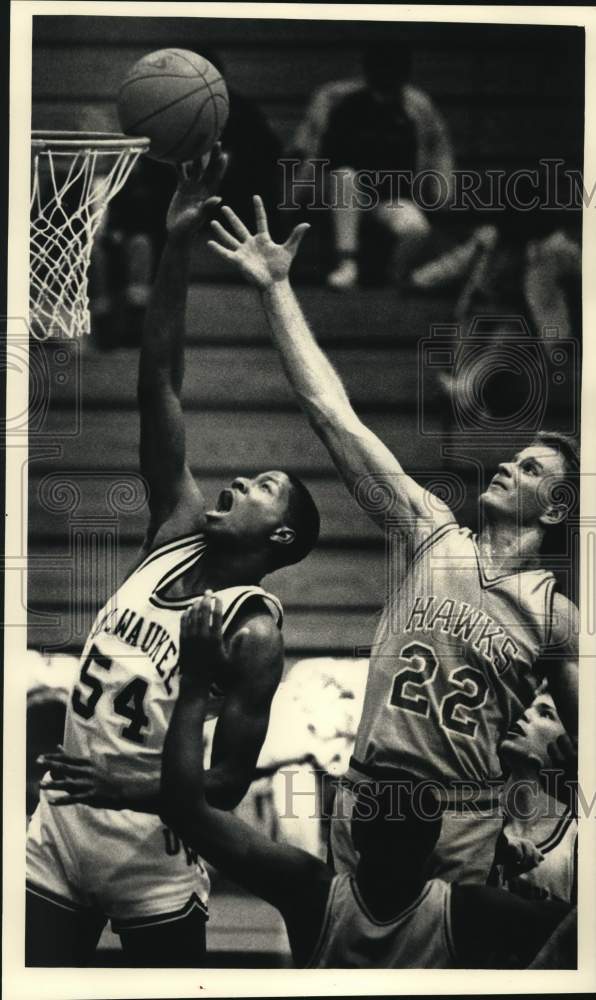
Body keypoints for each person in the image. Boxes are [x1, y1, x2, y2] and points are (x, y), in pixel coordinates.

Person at [206, 194, 579, 885]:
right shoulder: (432, 533)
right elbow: (332, 415)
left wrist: (552, 842)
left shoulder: (559, 618)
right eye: (512, 456)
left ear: (556, 511)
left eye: (530, 468)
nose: (506, 463)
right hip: (369, 801)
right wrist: (277, 290)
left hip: (462, 823)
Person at [25, 149, 320, 968]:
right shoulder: (176, 526)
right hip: (56, 828)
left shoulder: (254, 631)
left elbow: (223, 788)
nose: (238, 480)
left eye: (263, 485)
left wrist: (117, 786)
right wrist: (177, 242)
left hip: (149, 849)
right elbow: (162, 378)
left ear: (282, 537)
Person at [45, 595, 575, 969]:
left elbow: (188, 809)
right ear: (438, 839)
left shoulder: (312, 894)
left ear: (351, 834)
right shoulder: (469, 910)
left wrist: (193, 683)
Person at [307, 42, 454, 289]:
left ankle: (394, 276)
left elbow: (437, 151)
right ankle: (347, 264)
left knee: (416, 229)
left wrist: (440, 196)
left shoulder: (415, 110)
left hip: (392, 198)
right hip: (350, 196)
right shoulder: (346, 105)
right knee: (344, 177)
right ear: (369, 72)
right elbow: (322, 158)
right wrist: (298, 198)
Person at [490, 687, 577, 904]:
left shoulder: (577, 840)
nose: (525, 714)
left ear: (570, 743)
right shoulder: (474, 816)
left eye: (545, 713)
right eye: (527, 706)